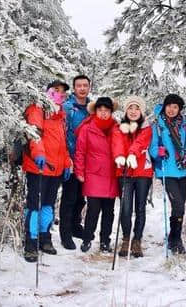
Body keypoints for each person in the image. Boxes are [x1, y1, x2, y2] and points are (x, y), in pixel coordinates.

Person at [22, 80, 73, 263]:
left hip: (56, 169)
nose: (60, 94)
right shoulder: (37, 109)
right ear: (48, 92)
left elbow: (62, 144)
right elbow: (34, 135)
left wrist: (67, 163)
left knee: (48, 205)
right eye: (56, 91)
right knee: (34, 204)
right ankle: (31, 240)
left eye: (63, 92)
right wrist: (38, 154)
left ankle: (45, 237)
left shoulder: (61, 116)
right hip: (39, 167)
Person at [149, 94, 186, 255]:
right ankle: (176, 239)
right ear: (164, 106)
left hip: (183, 170)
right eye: (169, 106)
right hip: (167, 171)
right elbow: (152, 147)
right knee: (178, 205)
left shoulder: (182, 125)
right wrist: (158, 152)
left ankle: (174, 237)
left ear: (179, 109)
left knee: (180, 207)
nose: (172, 109)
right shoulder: (157, 126)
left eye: (175, 107)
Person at [74, 97, 119, 253]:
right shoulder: (87, 128)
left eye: (107, 111)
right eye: (100, 110)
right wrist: (79, 171)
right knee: (93, 209)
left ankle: (105, 241)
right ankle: (87, 239)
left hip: (112, 174)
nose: (104, 113)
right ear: (96, 111)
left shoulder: (116, 127)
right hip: (94, 173)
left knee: (109, 211)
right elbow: (80, 152)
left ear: (111, 112)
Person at [111, 96, 153, 258]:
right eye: (130, 108)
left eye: (136, 108)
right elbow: (117, 144)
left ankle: (137, 239)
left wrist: (133, 155)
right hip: (124, 172)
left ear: (141, 111)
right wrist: (121, 156)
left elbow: (141, 143)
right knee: (126, 207)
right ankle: (126, 238)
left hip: (142, 171)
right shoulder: (119, 127)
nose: (133, 111)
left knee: (140, 207)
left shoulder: (146, 127)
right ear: (126, 110)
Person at [59, 75, 91, 249]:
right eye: (79, 85)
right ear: (74, 88)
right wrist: (66, 156)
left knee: (81, 196)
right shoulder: (67, 108)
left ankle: (75, 226)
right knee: (69, 196)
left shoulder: (92, 108)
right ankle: (65, 233)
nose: (82, 88)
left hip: (87, 160)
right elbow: (62, 133)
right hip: (70, 157)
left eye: (85, 85)